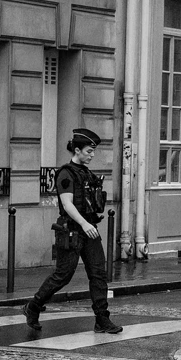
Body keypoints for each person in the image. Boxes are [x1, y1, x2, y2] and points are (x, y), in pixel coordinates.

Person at [25, 128, 120, 334]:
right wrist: (85, 224)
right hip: (72, 231)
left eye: (93, 152)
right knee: (63, 275)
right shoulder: (66, 173)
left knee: (98, 274)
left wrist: (90, 222)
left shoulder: (87, 173)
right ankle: (33, 307)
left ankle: (102, 320)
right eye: (88, 151)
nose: (92, 155)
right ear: (77, 150)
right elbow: (67, 204)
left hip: (89, 230)